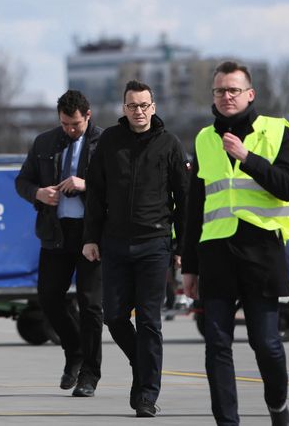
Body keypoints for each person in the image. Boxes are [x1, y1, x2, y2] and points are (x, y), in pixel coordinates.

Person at [182, 61, 289, 426]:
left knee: (266, 343)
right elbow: (195, 205)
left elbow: (288, 187)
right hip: (216, 252)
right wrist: (188, 265)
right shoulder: (203, 138)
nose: (226, 96)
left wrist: (247, 158)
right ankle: (227, 422)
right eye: (220, 91)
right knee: (217, 345)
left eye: (233, 90)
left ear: (250, 94)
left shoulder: (277, 130)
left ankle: (278, 407)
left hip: (261, 251)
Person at [83, 79, 189, 417]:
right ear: (123, 108)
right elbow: (96, 195)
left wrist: (182, 246)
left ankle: (147, 393)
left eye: (144, 105)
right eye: (132, 106)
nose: (138, 111)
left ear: (153, 107)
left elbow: (184, 200)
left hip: (154, 244)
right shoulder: (110, 143)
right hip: (114, 244)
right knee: (113, 317)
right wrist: (90, 238)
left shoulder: (170, 144)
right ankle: (141, 366)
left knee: (148, 321)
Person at [14, 89, 104, 397]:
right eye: (65, 123)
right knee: (49, 298)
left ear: (88, 116)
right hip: (55, 231)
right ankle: (75, 349)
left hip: (92, 235)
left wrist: (86, 184)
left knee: (91, 305)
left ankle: (90, 373)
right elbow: (22, 181)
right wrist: (38, 193)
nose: (70, 129)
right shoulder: (44, 143)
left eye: (75, 124)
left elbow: (120, 187)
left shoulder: (104, 143)